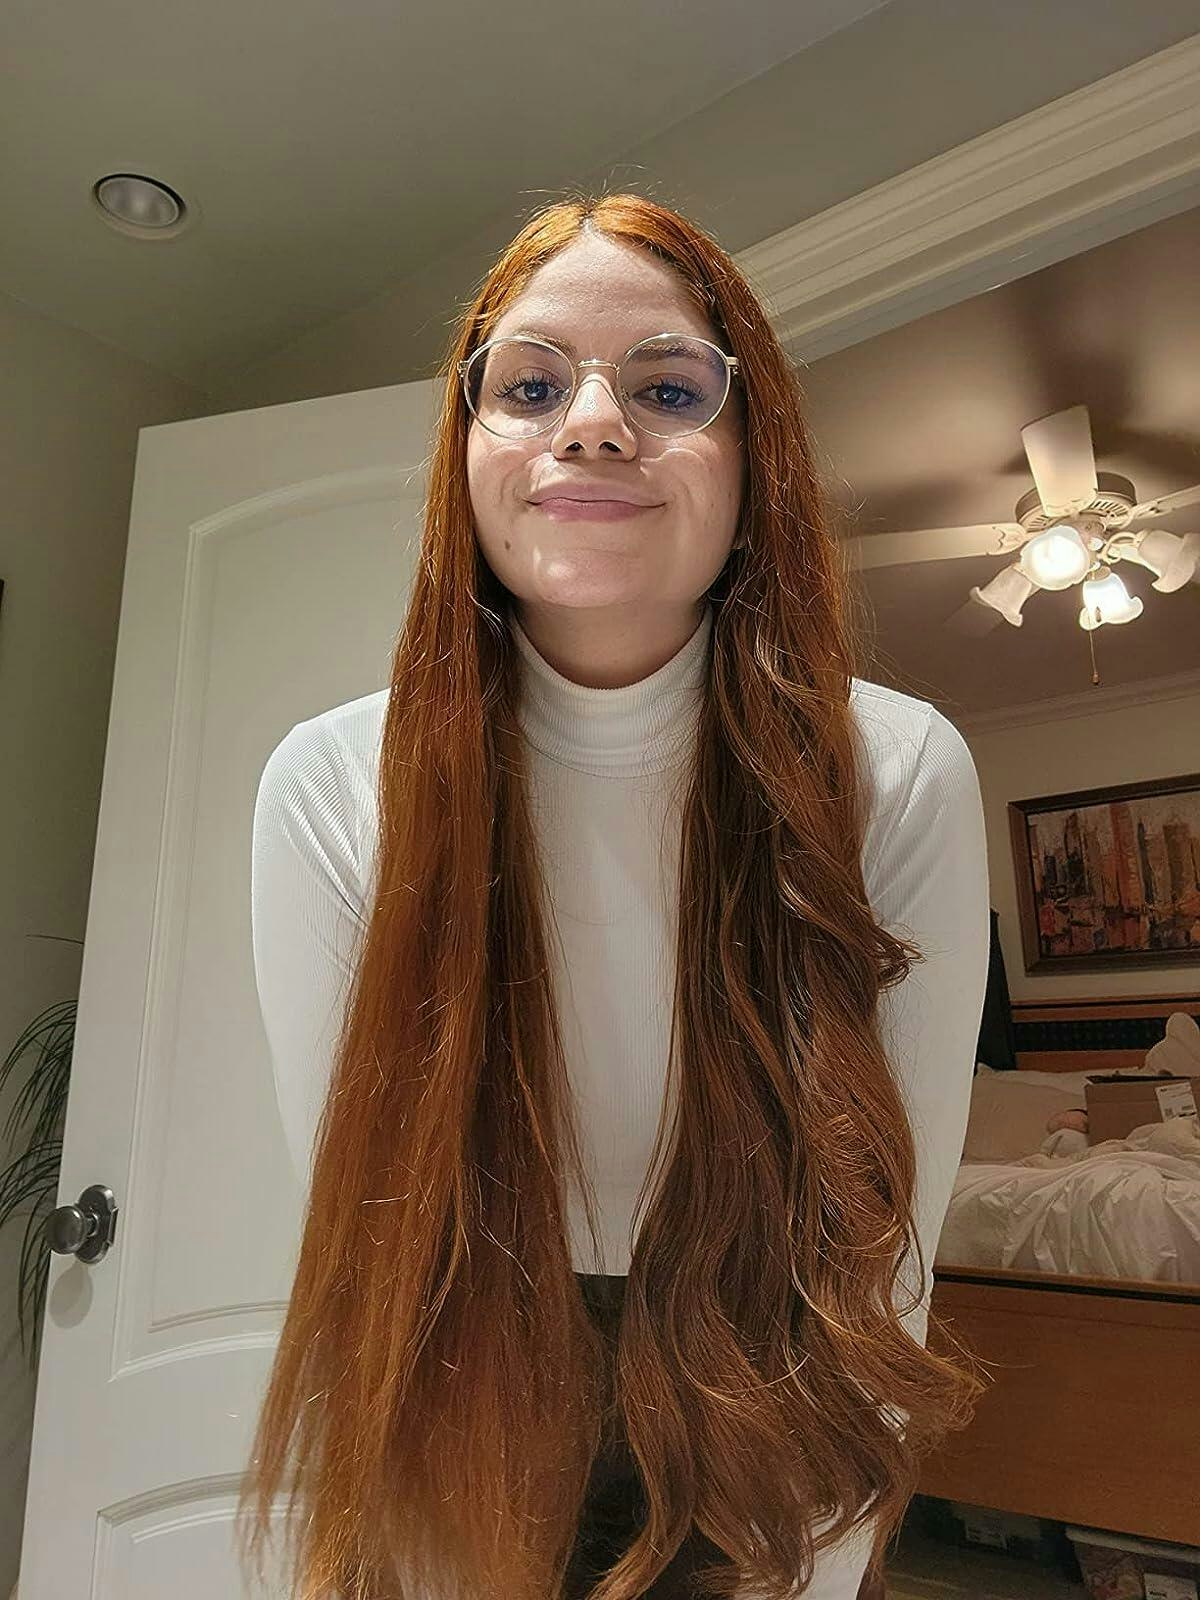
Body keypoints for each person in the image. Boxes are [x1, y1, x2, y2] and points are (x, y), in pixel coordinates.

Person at [238, 193, 991, 1600]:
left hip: (776, 1387)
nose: (592, 424)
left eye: (668, 388)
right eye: (531, 388)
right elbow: (368, 1247)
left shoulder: (898, 772)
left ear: (753, 455)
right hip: (467, 1391)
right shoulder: (331, 787)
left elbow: (886, 1254)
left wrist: (820, 1576)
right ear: (465, 455)